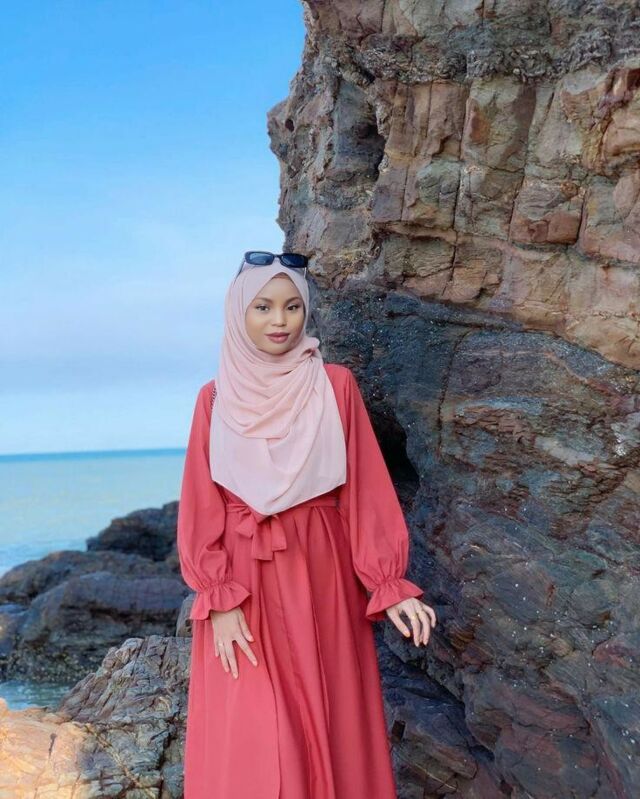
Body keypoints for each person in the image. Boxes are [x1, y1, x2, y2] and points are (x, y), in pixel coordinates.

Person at [176, 253, 437, 799]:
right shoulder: (214, 398)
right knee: (254, 731)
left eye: (293, 307)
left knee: (329, 718)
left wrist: (387, 582)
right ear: (238, 314)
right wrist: (218, 600)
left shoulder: (334, 385)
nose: (280, 320)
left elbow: (365, 488)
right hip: (242, 586)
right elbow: (202, 504)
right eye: (263, 307)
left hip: (321, 575)